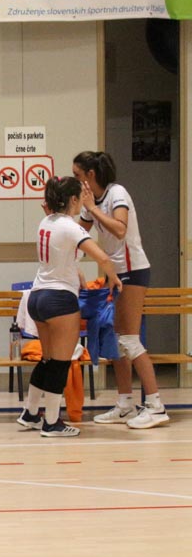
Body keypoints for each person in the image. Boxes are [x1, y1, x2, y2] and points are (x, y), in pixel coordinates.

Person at [16, 176, 122, 436]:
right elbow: (103, 257)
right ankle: (52, 422)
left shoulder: (46, 222)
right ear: (73, 199)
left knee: (47, 359)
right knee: (61, 363)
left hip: (37, 297)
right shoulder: (71, 227)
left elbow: (63, 253)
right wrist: (114, 278)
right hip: (60, 300)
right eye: (80, 199)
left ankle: (30, 413)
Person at [73, 151, 169, 429]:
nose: (76, 181)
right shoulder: (91, 202)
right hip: (114, 275)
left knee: (129, 339)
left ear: (91, 175)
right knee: (115, 341)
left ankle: (156, 406)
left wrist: (92, 209)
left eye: (78, 175)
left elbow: (119, 230)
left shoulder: (117, 193)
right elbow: (78, 234)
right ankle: (125, 403)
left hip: (133, 271)